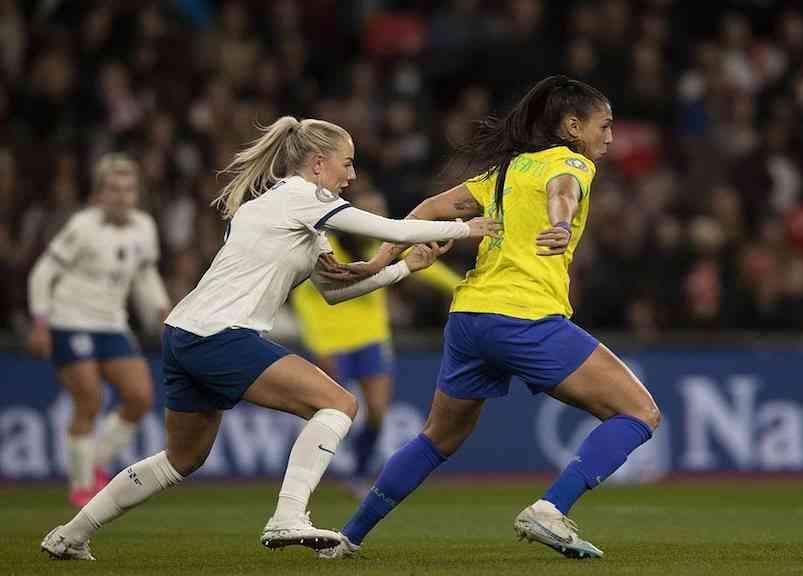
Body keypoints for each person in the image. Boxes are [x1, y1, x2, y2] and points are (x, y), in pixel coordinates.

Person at [41, 116, 499, 560]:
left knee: (181, 458)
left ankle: (70, 534)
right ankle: (287, 516)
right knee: (338, 404)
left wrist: (403, 268)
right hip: (221, 335)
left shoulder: (281, 211)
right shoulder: (304, 197)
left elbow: (336, 291)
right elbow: (392, 229)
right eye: (346, 163)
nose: (352, 175)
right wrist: (466, 227)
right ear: (318, 163)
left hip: (185, 333)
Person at [322, 75, 661, 561]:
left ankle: (348, 537)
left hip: (469, 318)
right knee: (640, 412)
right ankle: (550, 509)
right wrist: (561, 224)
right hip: (524, 316)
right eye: (603, 126)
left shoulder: (506, 171)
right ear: (572, 127)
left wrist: (379, 260)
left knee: (437, 438)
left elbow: (430, 209)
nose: (609, 137)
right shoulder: (572, 162)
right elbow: (563, 191)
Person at [290, 187, 461, 498]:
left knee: (378, 412)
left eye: (380, 212)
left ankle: (357, 473)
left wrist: (459, 285)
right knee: (328, 410)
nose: (378, 218)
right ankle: (302, 477)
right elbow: (302, 297)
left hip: (371, 339)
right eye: (371, 212)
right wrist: (316, 341)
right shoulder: (325, 250)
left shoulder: (380, 247)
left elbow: (428, 268)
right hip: (330, 341)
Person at [27, 153, 170, 508]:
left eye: (128, 190)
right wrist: (41, 322)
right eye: (114, 189)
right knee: (89, 400)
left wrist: (162, 310)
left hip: (112, 323)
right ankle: (81, 485)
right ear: (100, 193)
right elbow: (43, 273)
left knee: (140, 397)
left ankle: (96, 464)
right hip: (70, 319)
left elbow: (145, 275)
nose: (122, 197)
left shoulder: (144, 226)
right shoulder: (82, 226)